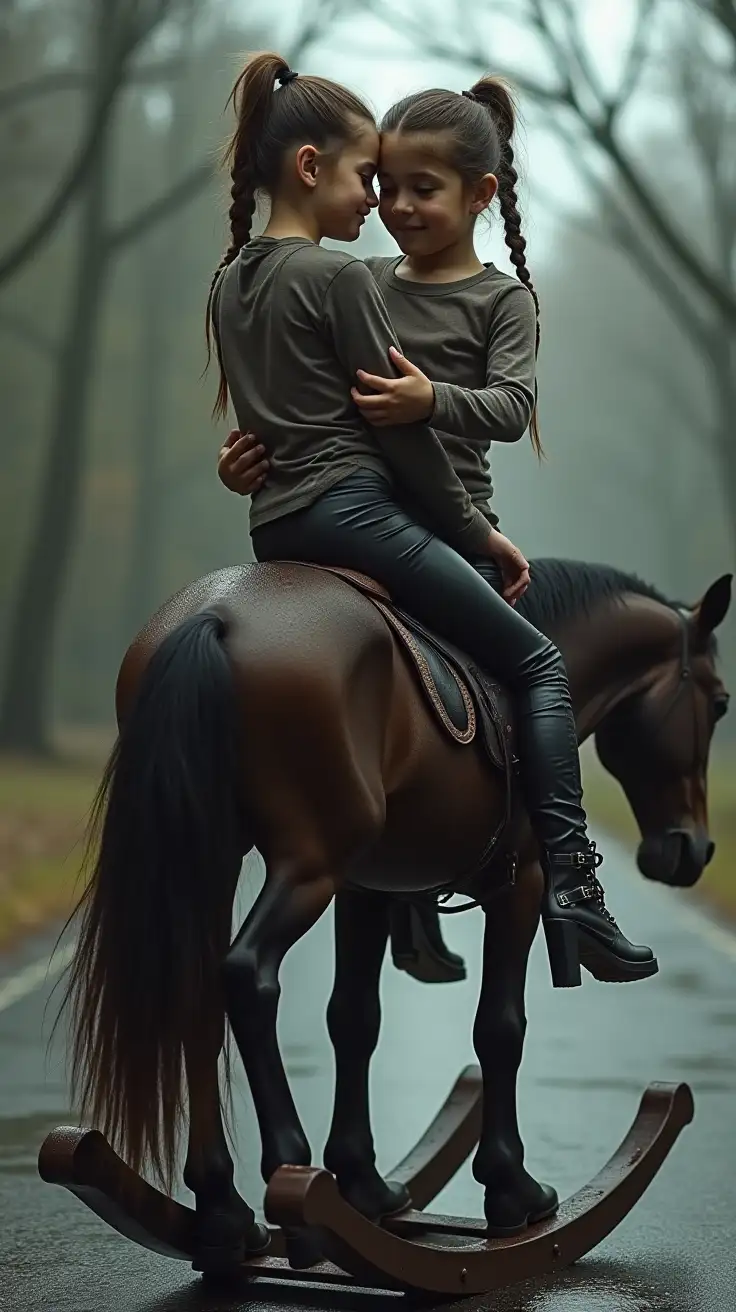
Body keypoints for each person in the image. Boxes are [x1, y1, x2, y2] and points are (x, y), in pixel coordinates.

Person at [208, 52, 656, 988]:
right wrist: (243, 454)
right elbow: (306, 395)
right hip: (398, 519)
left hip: (418, 516)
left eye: (419, 189)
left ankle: (557, 881)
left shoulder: (504, 300)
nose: (395, 206)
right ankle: (541, 883)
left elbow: (509, 408)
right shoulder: (358, 280)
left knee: (494, 680)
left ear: (480, 193)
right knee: (529, 668)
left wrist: (431, 400)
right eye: (383, 185)